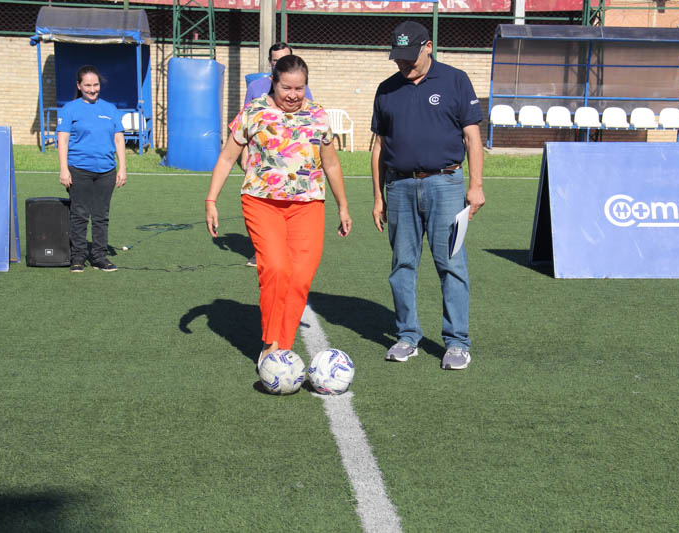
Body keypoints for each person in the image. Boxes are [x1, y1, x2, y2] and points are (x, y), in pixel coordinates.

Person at [205, 55, 352, 367]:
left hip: (308, 205)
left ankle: (281, 349)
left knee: (300, 276)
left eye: (299, 88)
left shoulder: (317, 115)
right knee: (275, 268)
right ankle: (271, 344)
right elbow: (227, 158)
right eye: (287, 87)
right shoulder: (254, 112)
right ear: (274, 82)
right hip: (262, 202)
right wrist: (211, 200)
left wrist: (343, 206)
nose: (293, 95)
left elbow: (331, 163)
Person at [370, 21, 485, 370]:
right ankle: (407, 336)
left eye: (409, 58)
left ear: (428, 46)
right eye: (398, 59)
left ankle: (457, 342)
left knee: (451, 264)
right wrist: (377, 196)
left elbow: (472, 136)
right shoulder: (386, 89)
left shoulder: (455, 80)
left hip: (445, 184)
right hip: (400, 186)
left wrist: (476, 185)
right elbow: (378, 146)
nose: (404, 65)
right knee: (402, 265)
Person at [242, 42, 314, 268]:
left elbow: (310, 121)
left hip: (291, 164)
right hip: (261, 162)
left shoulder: (300, 87)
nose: (278, 63)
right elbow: (243, 123)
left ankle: (286, 252)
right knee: (260, 203)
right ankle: (260, 252)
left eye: (283, 59)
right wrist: (244, 152)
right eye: (275, 61)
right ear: (270, 63)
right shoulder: (256, 87)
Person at [57, 65, 127, 273]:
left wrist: (122, 168)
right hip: (79, 170)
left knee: (101, 216)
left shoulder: (110, 109)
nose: (92, 89)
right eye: (87, 85)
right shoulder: (70, 109)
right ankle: (77, 257)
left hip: (106, 171)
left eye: (95, 84)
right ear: (79, 86)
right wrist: (63, 169)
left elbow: (118, 138)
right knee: (79, 214)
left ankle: (99, 257)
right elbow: (63, 140)